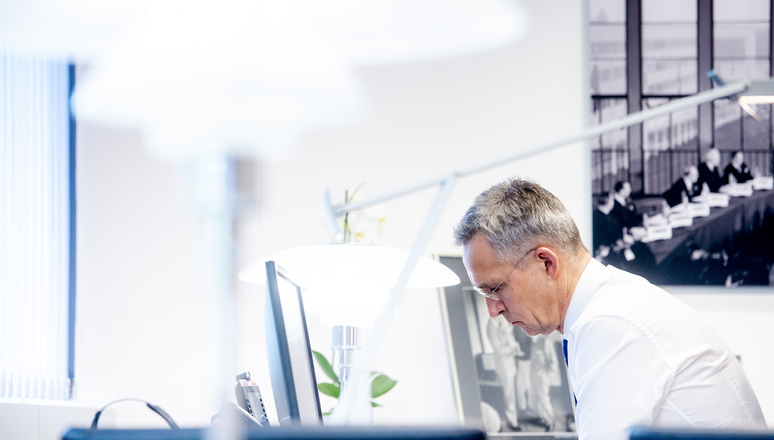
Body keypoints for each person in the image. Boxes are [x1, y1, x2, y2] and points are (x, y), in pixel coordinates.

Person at [453, 177, 766, 440]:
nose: (492, 310)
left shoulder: (613, 323)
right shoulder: (606, 307)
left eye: (495, 289)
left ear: (547, 263)